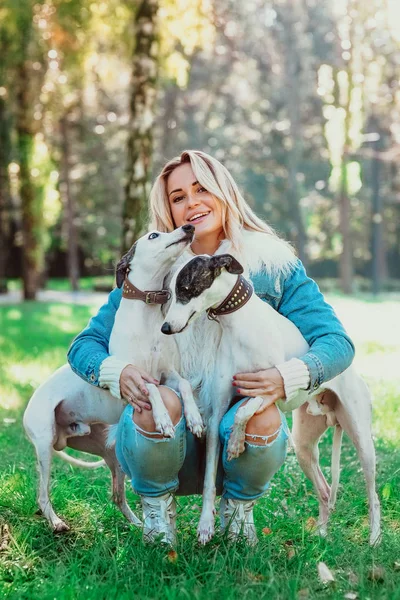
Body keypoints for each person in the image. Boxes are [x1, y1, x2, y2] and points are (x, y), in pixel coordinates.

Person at [68, 150, 354, 545]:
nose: (192, 203)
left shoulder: (272, 265)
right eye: (179, 196)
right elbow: (84, 346)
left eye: (202, 189)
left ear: (225, 192)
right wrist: (118, 372)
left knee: (263, 415)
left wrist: (284, 378)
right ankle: (157, 513)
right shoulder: (154, 271)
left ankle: (237, 513)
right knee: (158, 403)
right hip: (169, 437)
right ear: (168, 209)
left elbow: (337, 343)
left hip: (237, 440)